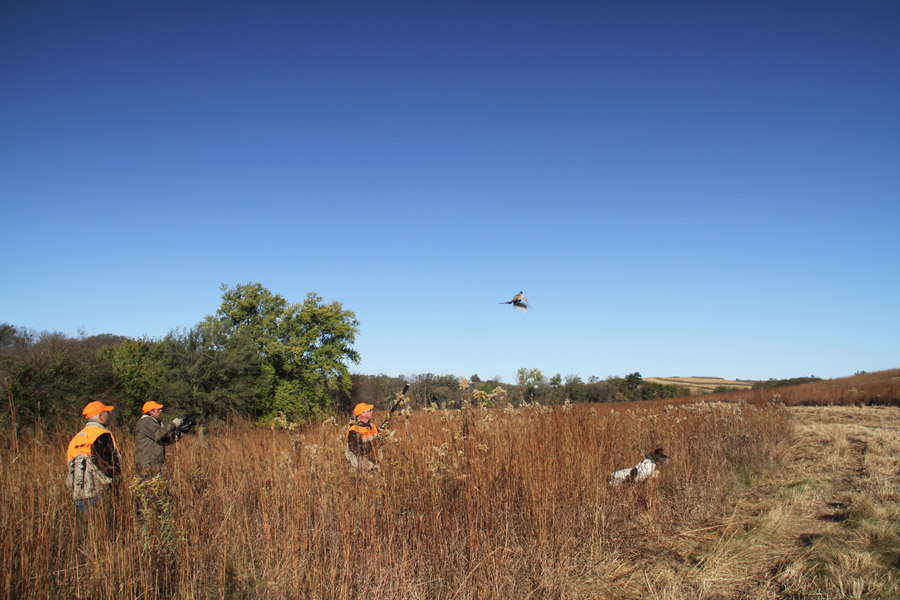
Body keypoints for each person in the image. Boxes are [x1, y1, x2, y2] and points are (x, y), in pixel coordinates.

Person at [65, 400, 121, 514]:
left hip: (79, 494)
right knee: (104, 523)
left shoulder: (75, 439)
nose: (109, 415)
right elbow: (107, 463)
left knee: (85, 525)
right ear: (101, 417)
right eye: (107, 413)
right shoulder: (102, 435)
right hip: (100, 492)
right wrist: (116, 481)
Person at [135, 401, 183, 475]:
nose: (161, 410)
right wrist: (173, 424)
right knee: (148, 481)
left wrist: (178, 435)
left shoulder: (152, 422)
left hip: (153, 462)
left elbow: (162, 441)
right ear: (151, 412)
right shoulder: (146, 422)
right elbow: (159, 434)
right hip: (147, 463)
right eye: (158, 409)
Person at [345, 402, 381, 471]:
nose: (372, 412)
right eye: (369, 411)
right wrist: (372, 443)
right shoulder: (354, 430)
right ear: (362, 414)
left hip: (373, 460)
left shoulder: (373, 426)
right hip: (360, 465)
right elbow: (355, 449)